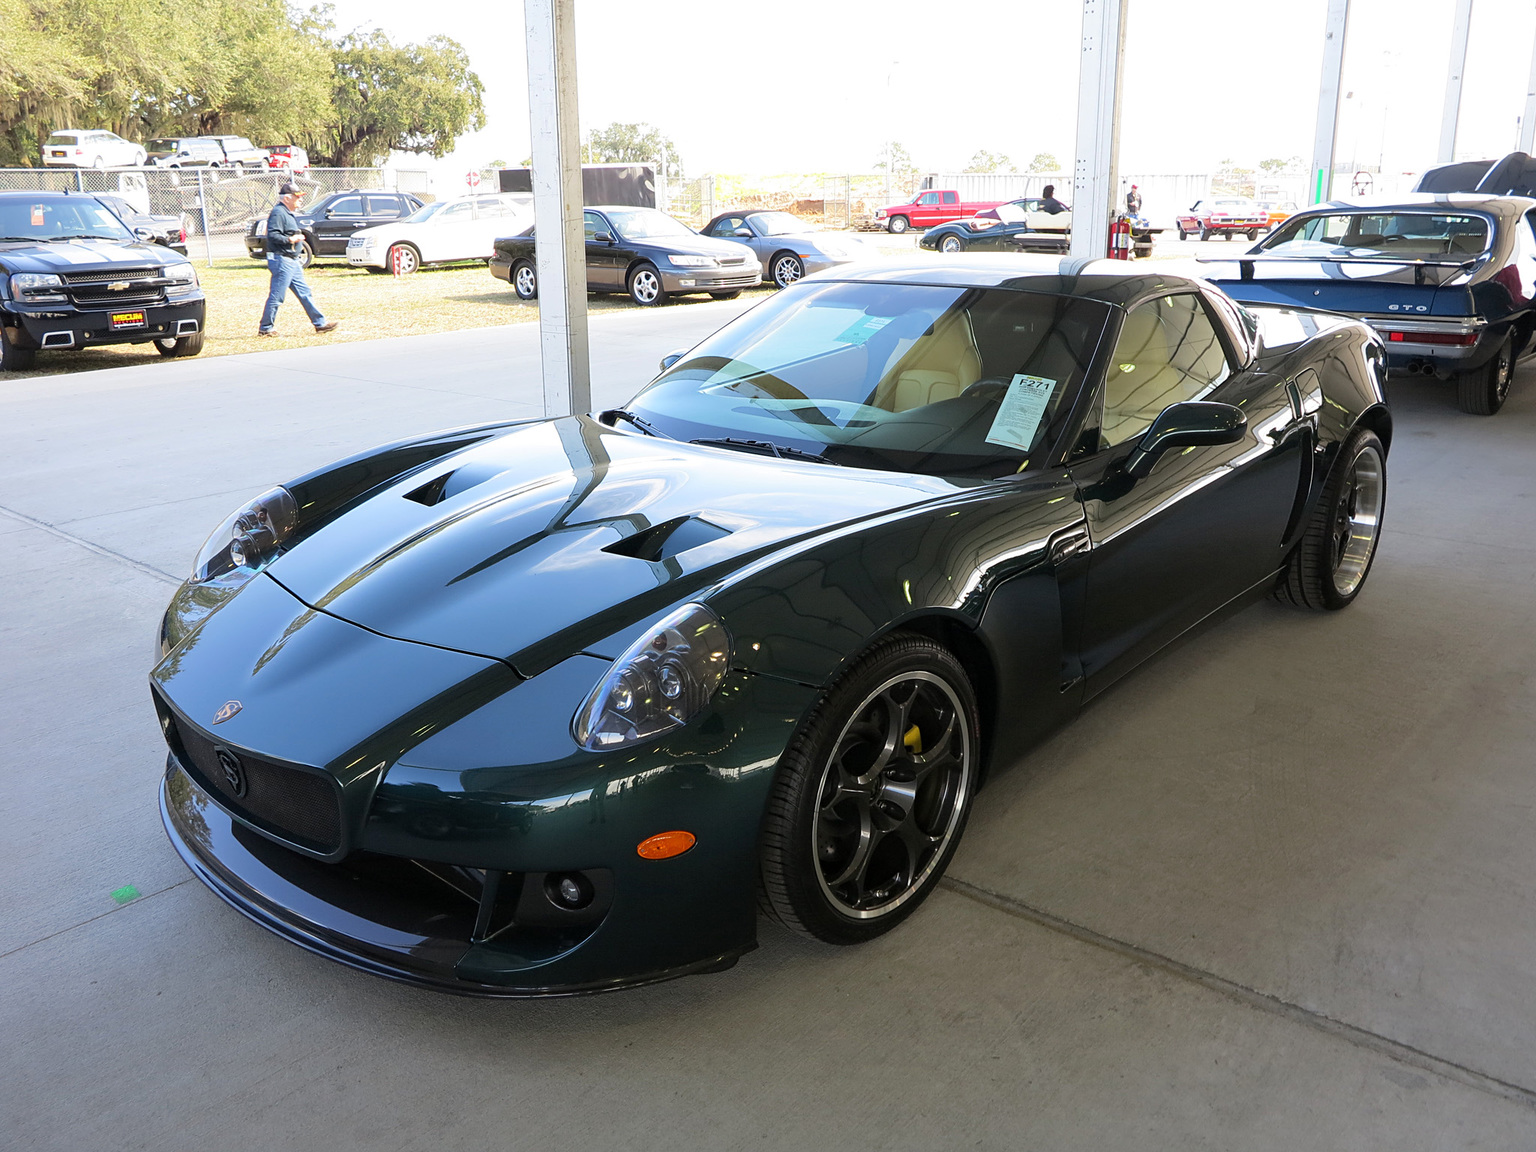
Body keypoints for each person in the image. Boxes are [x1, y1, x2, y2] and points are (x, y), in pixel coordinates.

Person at [259, 181, 338, 337]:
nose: (300, 199)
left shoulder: (286, 212)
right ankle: (266, 328)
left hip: (292, 261)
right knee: (277, 296)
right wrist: (291, 240)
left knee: (305, 293)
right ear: (287, 198)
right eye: (297, 196)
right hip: (282, 260)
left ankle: (320, 324)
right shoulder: (278, 212)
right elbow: (273, 236)